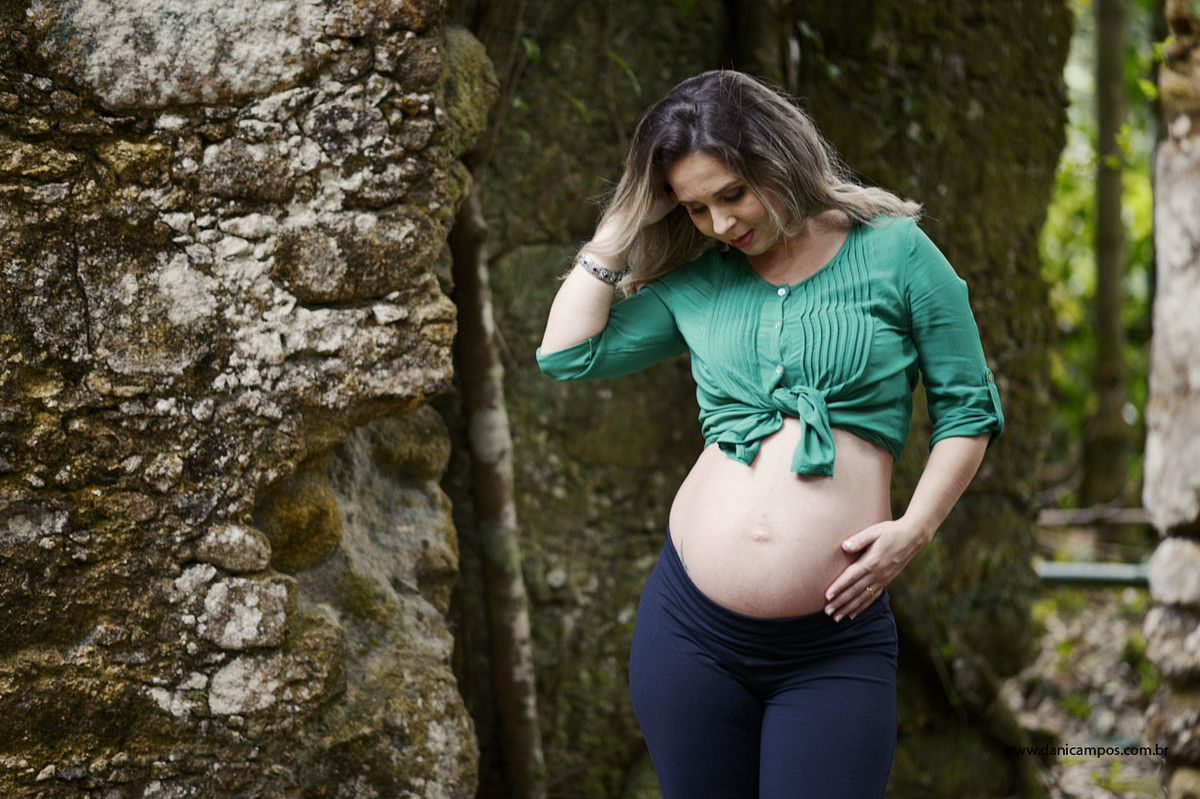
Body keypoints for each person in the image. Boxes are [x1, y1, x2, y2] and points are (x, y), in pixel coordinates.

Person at [536, 70, 1003, 799]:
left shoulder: (896, 252)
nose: (721, 223)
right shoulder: (701, 283)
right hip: (687, 631)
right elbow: (567, 353)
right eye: (695, 207)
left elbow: (968, 409)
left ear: (778, 157)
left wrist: (914, 528)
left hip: (832, 643)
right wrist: (620, 227)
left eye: (732, 193)